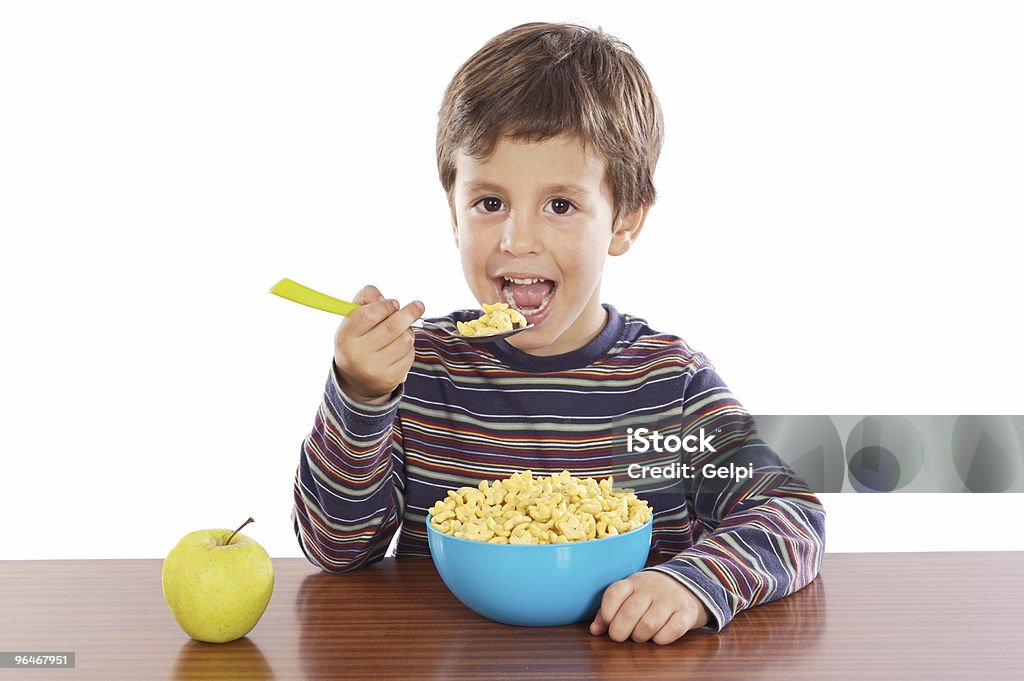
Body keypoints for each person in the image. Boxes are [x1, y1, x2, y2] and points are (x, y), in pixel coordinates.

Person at [291, 21, 825, 645]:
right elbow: (336, 548)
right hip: (456, 652)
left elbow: (791, 517)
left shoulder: (670, 384)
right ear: (452, 211)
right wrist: (361, 394)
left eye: (560, 205)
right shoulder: (417, 369)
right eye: (489, 203)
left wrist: (694, 584)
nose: (518, 239)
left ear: (625, 221)